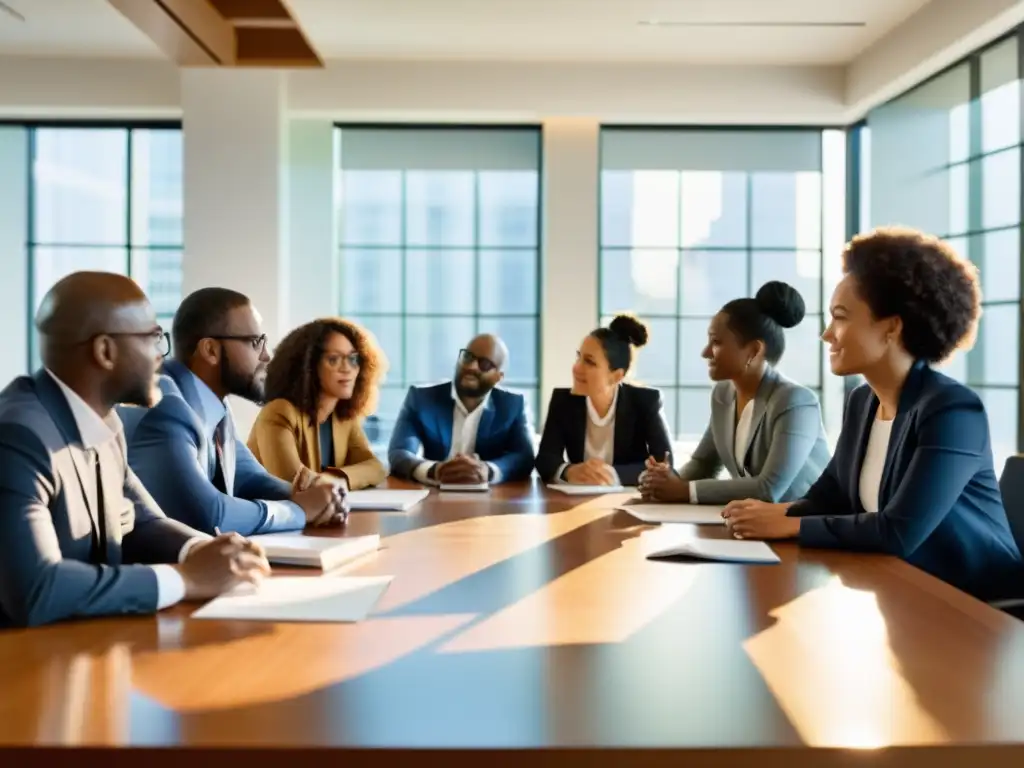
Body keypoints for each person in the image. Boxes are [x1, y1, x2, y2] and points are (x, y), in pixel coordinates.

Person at [723, 227, 1024, 602]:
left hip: (976, 604)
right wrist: (767, 513)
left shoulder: (953, 410)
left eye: (841, 317)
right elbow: (828, 498)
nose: (827, 334)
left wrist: (789, 524)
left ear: (892, 328)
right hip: (901, 589)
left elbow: (899, 531)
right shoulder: (863, 401)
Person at [0, 272, 270, 628]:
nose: (162, 357)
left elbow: (142, 521)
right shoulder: (20, 437)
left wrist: (202, 549)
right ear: (105, 351)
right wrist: (185, 579)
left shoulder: (107, 422)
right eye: (152, 338)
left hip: (91, 652)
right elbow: (37, 588)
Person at [127, 288, 346, 537]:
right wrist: (297, 510)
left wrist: (313, 494)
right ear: (210, 350)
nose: (266, 355)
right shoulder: (165, 406)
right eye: (255, 343)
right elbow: (209, 515)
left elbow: (248, 478)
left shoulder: (214, 403)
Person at [640, 281, 830, 505]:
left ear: (754, 350)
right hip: (754, 522)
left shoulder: (795, 401)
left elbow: (768, 489)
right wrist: (663, 481)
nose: (705, 352)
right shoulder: (723, 394)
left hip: (804, 526)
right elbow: (703, 464)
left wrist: (683, 490)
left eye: (716, 342)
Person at [248, 318, 387, 489]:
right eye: (334, 359)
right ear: (308, 366)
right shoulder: (279, 412)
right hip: (275, 514)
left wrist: (335, 479)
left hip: (324, 512)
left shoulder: (343, 418)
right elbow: (293, 486)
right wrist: (328, 483)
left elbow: (376, 468)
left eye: (353, 359)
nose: (347, 368)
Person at [536, 314, 672, 487]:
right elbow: (545, 459)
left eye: (589, 362)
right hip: (574, 500)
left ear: (616, 376)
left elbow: (665, 464)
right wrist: (568, 471)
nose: (577, 367)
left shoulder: (645, 402)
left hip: (628, 501)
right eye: (579, 357)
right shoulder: (563, 401)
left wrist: (610, 475)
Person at [387, 334, 534, 485]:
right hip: (433, 495)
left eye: (484, 364)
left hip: (490, 498)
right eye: (468, 357)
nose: (471, 366)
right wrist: (435, 470)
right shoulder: (421, 398)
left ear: (498, 377)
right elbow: (400, 452)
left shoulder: (513, 405)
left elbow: (524, 456)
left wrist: (487, 470)